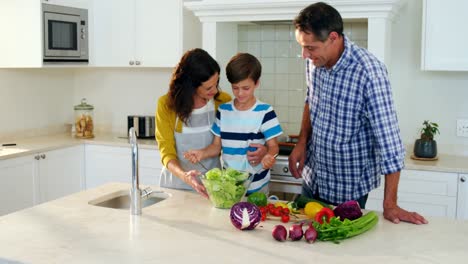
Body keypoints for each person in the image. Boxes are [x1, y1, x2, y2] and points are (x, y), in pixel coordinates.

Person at [290, 2, 428, 224]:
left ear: (333, 38)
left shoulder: (369, 72)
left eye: (311, 47)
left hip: (348, 188)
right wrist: (302, 141)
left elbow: (390, 144)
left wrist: (390, 205)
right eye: (302, 46)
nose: (304, 54)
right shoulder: (314, 62)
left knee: (339, 251)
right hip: (313, 176)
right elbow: (311, 99)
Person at [156, 48, 267, 198]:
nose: (215, 91)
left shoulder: (222, 102)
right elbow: (166, 152)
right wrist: (185, 176)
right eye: (208, 87)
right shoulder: (166, 105)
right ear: (191, 86)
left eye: (217, 83)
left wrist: (264, 150)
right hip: (175, 188)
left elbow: (241, 137)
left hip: (213, 189)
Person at [185, 53, 283, 195]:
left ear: (256, 83)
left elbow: (274, 147)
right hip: (230, 186)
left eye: (246, 88)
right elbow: (216, 146)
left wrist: (269, 156)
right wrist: (202, 153)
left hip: (257, 187)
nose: (240, 93)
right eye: (235, 88)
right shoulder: (224, 111)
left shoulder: (265, 111)